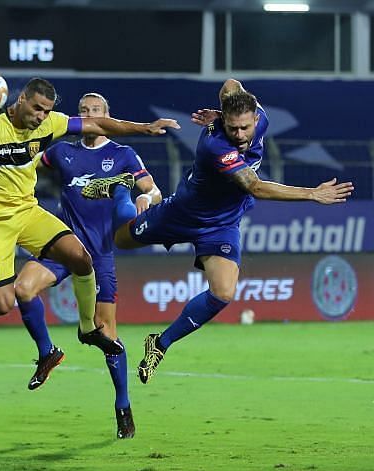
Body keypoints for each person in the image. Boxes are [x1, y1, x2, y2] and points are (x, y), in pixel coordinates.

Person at [82, 79, 354, 384]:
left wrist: (221, 108)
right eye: (233, 128)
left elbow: (230, 84)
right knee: (121, 239)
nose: (238, 135)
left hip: (222, 224)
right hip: (181, 214)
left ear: (256, 119)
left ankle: (160, 344)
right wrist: (312, 194)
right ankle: (121, 187)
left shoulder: (258, 115)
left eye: (244, 128)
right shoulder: (216, 145)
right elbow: (255, 186)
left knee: (224, 292)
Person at [0, 78, 178, 372]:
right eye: (37, 108)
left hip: (27, 212)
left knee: (80, 258)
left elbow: (99, 126)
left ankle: (88, 329)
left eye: (47, 111)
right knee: (2, 303)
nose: (41, 116)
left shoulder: (50, 124)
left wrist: (144, 128)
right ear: (21, 98)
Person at [14, 92, 163, 439]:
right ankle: (47, 353)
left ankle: (122, 405)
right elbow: (25, 164)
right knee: (22, 288)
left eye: (96, 110)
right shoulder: (62, 151)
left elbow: (152, 190)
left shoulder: (122, 154)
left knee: (106, 333)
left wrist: (146, 198)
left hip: (99, 255)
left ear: (108, 116)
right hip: (63, 246)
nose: (90, 115)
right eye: (84, 111)